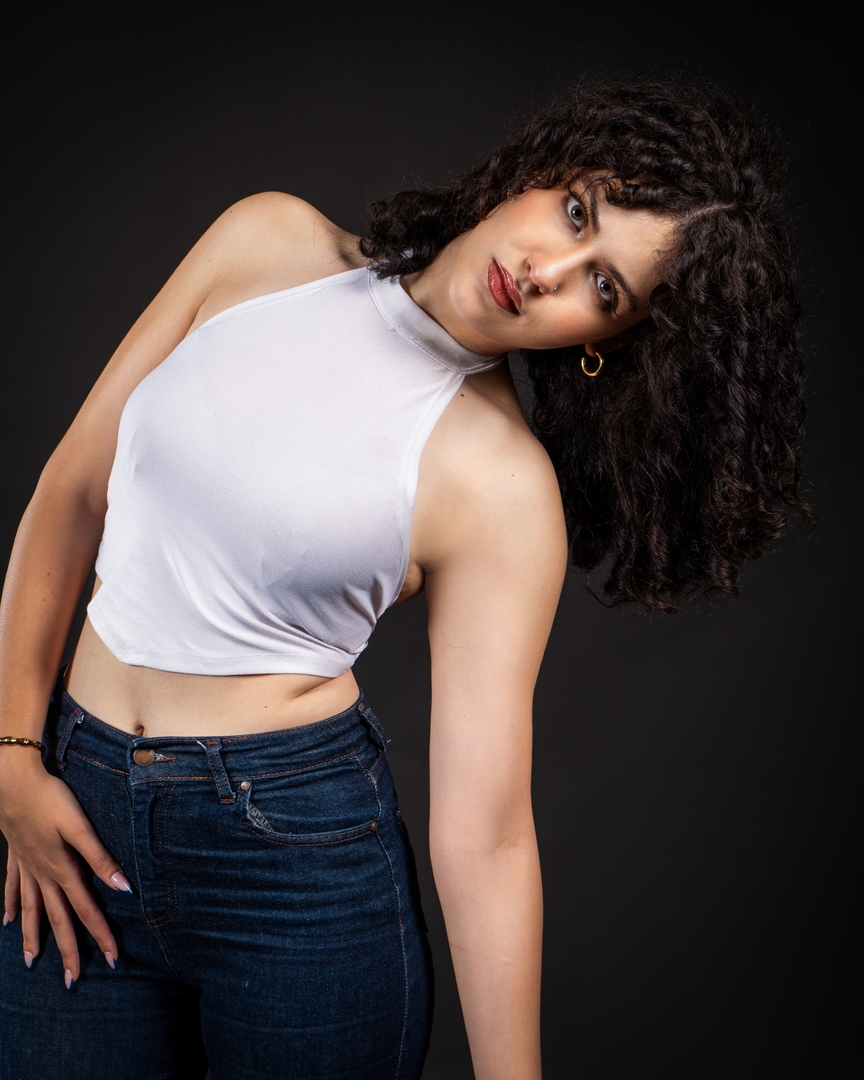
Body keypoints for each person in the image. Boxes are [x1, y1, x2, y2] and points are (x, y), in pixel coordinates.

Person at [0, 79, 812, 1079]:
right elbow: (72, 494)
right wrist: (12, 760)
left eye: (604, 288)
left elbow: (487, 836)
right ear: (541, 170)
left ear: (608, 343)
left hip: (293, 877)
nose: (547, 271)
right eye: (577, 213)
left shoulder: (503, 488)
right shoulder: (265, 241)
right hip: (72, 814)